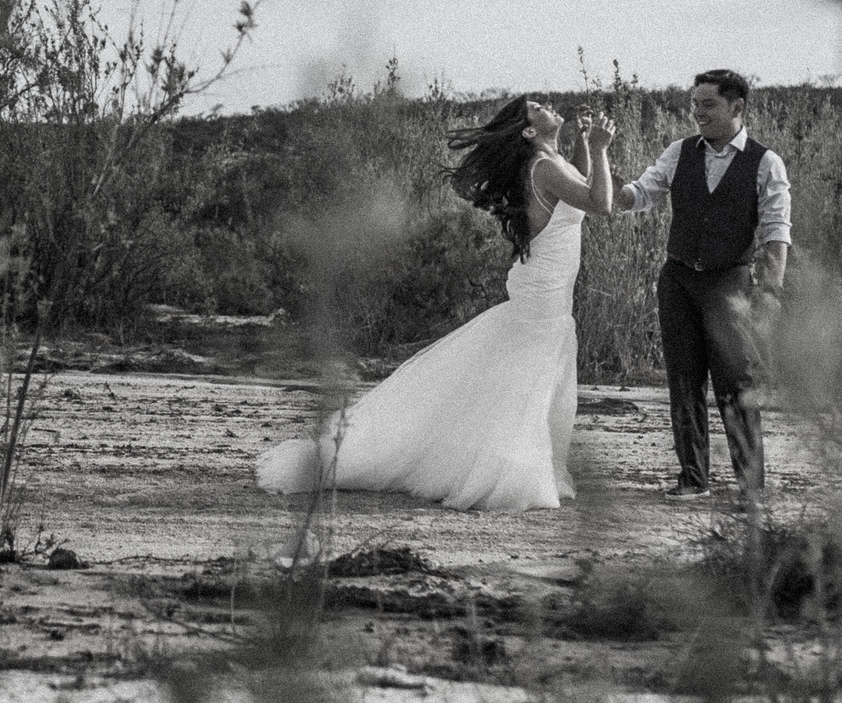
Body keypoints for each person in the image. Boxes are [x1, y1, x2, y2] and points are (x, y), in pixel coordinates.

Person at [257, 96, 617, 512]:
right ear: (529, 131)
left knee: (529, 375)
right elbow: (600, 204)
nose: (548, 105)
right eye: (537, 107)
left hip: (547, 284)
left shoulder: (549, 162)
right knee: (527, 376)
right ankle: (506, 472)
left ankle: (509, 461)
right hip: (544, 292)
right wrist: (606, 148)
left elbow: (579, 191)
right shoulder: (543, 166)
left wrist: (588, 145)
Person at [615, 68, 790, 500]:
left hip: (730, 284)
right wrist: (601, 175)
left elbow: (776, 234)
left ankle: (750, 487)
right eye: (694, 104)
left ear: (737, 108)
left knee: (736, 383)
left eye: (707, 104)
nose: (697, 113)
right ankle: (693, 480)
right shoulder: (679, 152)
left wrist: (770, 294)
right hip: (677, 281)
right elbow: (641, 194)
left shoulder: (766, 163)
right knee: (684, 381)